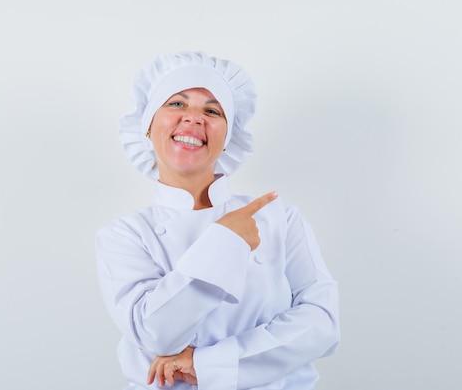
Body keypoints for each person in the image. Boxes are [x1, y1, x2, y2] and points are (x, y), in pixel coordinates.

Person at [96, 51, 340, 390]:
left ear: (228, 139)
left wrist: (204, 364)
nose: (194, 118)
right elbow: (155, 333)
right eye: (177, 104)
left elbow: (322, 323)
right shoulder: (124, 235)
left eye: (212, 111)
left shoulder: (278, 216)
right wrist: (225, 240)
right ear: (148, 126)